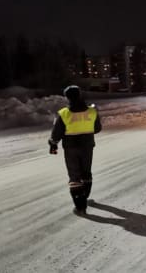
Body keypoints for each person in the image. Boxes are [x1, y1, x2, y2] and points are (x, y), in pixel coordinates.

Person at [48, 85, 102, 215]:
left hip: (71, 148)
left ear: (67, 98)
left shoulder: (64, 113)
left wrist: (53, 143)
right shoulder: (92, 111)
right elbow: (97, 129)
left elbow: (57, 133)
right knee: (86, 171)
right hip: (87, 146)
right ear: (80, 95)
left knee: (74, 176)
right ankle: (85, 195)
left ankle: (80, 206)